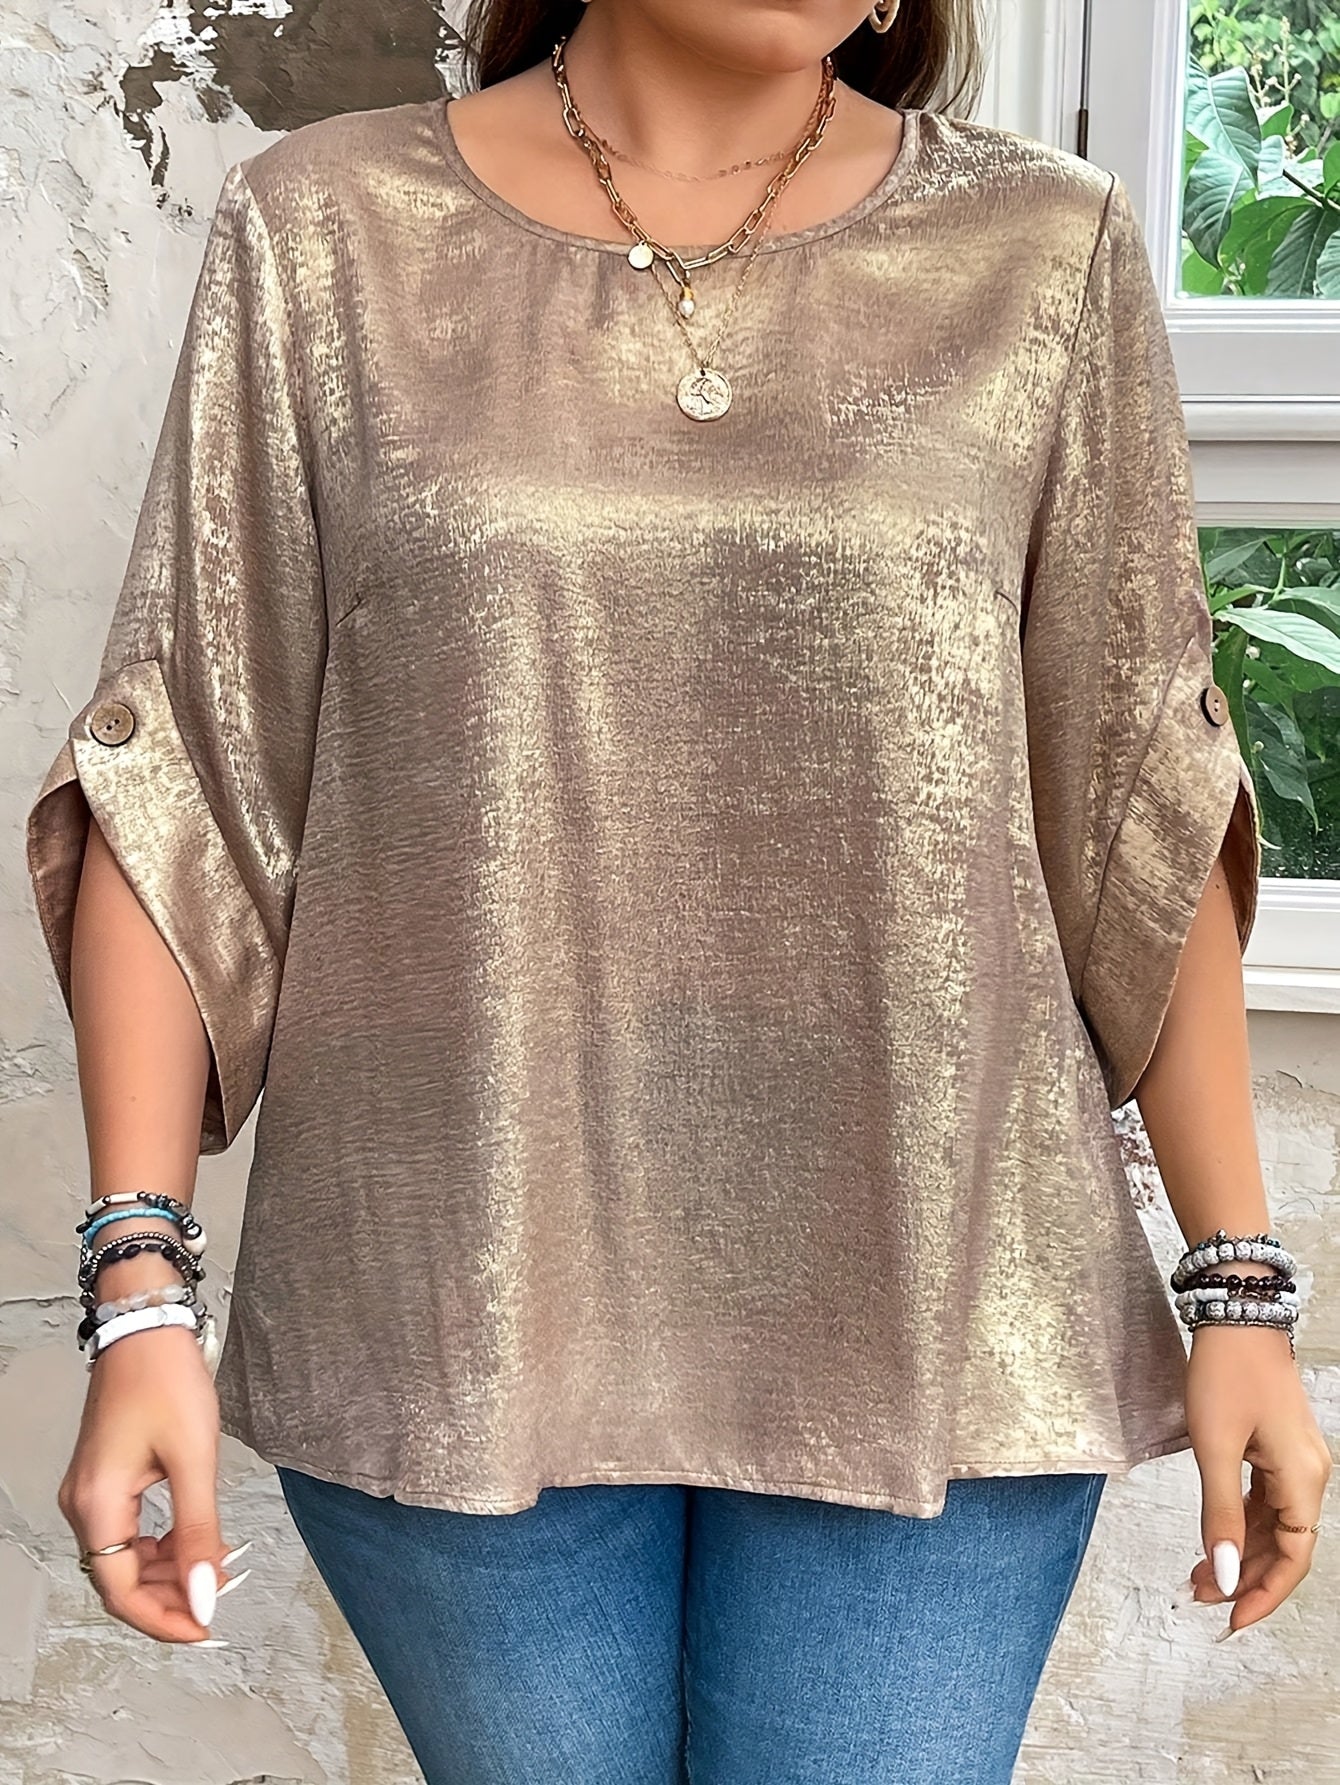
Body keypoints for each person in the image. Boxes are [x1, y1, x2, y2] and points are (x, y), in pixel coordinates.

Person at [25, 0, 1330, 1779]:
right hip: (461, 1270)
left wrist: (1239, 1287)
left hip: (940, 1282)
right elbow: (179, 766)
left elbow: (1136, 798)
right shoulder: (324, 233)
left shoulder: (1045, 246)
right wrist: (141, 1289)